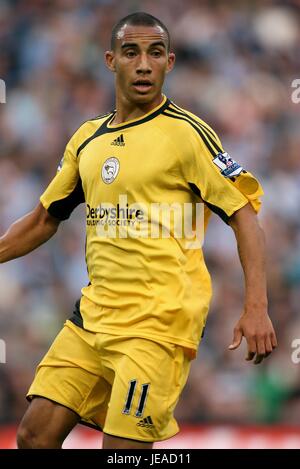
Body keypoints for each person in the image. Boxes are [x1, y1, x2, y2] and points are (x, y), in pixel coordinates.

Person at [0, 12, 277, 449]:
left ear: (170, 63)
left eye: (155, 53)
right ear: (111, 60)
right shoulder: (87, 139)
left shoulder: (187, 135)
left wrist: (256, 307)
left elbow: (244, 215)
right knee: (33, 436)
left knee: (122, 454)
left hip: (158, 325)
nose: (144, 64)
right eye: (132, 52)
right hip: (93, 319)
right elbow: (42, 219)